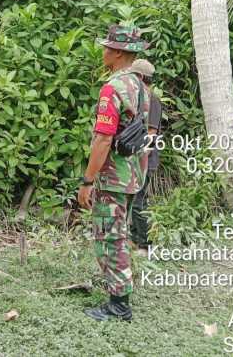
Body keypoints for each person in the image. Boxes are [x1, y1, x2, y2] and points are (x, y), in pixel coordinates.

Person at [78, 25, 149, 322]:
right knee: (118, 234)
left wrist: (87, 181)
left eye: (107, 47)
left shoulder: (113, 88)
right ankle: (119, 291)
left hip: (112, 177)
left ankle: (119, 305)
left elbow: (104, 139)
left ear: (118, 53)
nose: (104, 52)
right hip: (132, 174)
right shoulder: (141, 87)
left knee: (110, 237)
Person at [129, 59, 162, 248]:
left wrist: (141, 160)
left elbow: (151, 134)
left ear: (140, 77)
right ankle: (136, 239)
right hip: (137, 158)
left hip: (145, 160)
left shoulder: (152, 100)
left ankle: (145, 243)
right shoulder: (140, 99)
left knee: (138, 203)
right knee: (135, 201)